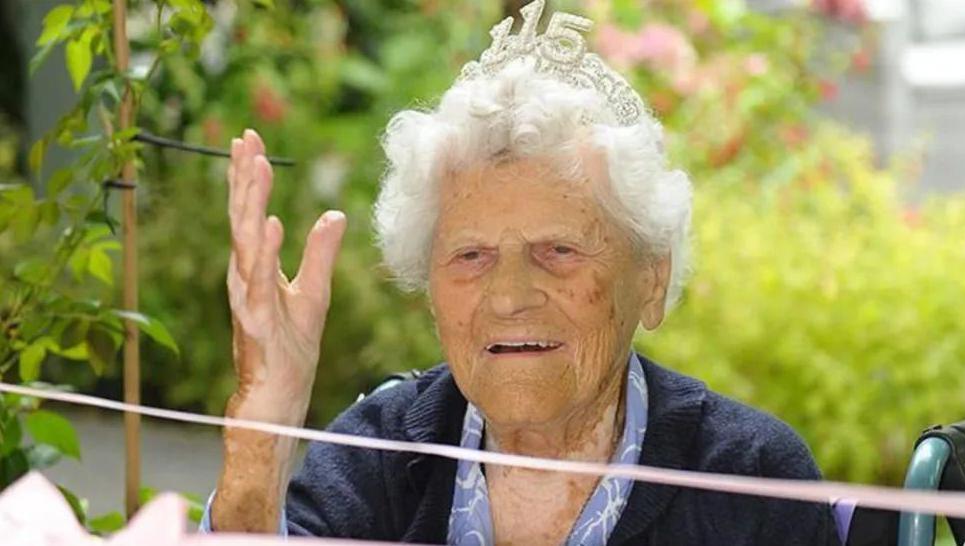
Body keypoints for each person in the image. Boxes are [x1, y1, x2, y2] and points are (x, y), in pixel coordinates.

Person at [202, 1, 841, 544]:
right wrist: (264, 426)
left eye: (558, 251)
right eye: (470, 256)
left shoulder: (750, 480)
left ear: (650, 278)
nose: (508, 296)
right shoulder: (379, 458)